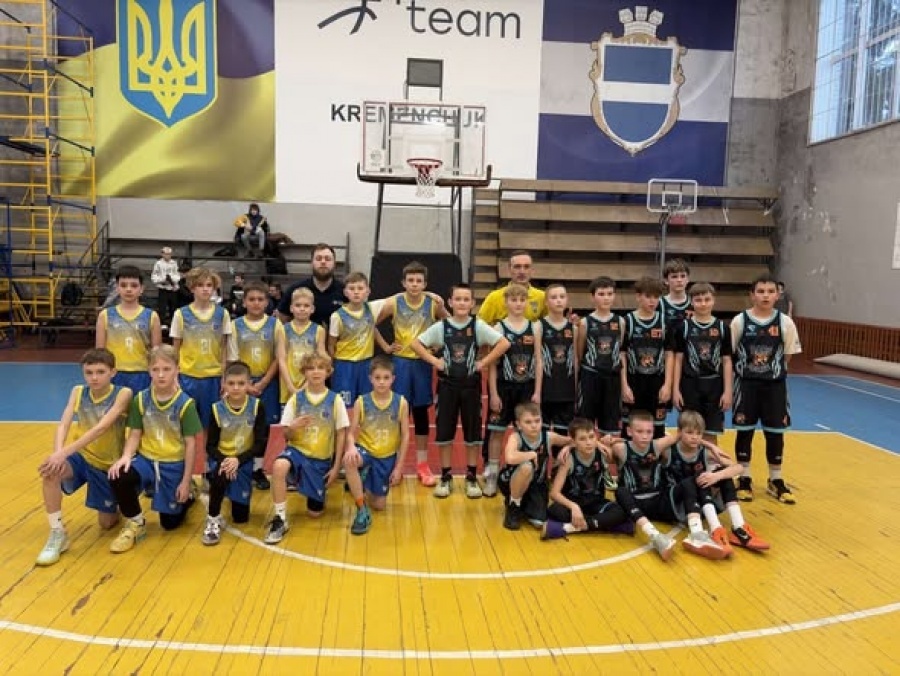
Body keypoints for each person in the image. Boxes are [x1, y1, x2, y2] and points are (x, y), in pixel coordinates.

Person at [411, 283, 510, 499]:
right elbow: (416, 344)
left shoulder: (478, 326)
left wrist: (483, 362)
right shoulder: (441, 327)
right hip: (447, 386)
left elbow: (503, 343)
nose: (462, 303)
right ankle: (446, 476)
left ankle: (471, 477)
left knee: (472, 434)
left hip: (471, 386)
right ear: (450, 302)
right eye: (458, 299)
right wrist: (434, 361)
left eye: (466, 299)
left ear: (472, 303)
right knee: (445, 432)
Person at [35, 348, 132, 566]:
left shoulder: (123, 393)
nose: (94, 378)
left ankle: (117, 501)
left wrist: (63, 453)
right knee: (50, 472)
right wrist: (58, 454)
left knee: (107, 524)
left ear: (113, 372)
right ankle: (57, 533)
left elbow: (100, 428)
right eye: (89, 372)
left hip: (106, 464)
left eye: (100, 372)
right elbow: (64, 424)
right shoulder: (78, 391)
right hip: (81, 457)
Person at [107, 345, 202, 552]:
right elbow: (135, 433)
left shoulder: (185, 404)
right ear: (148, 370)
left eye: (166, 369)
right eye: (155, 369)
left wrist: (185, 481)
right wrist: (126, 456)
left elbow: (191, 444)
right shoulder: (141, 399)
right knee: (119, 474)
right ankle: (136, 522)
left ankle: (190, 493)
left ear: (177, 369)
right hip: (147, 461)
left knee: (169, 524)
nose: (161, 375)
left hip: (173, 464)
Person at [731, 274, 802, 504]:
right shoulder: (740, 321)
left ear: (777, 295)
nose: (765, 296)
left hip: (774, 386)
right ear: (752, 295)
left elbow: (788, 355)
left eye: (770, 291)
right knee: (745, 431)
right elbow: (730, 353)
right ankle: (744, 478)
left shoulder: (785, 322)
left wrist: (771, 372)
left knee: (775, 433)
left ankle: (776, 480)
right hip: (746, 385)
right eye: (760, 291)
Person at [265, 353, 350, 544]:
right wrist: (292, 427)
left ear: (328, 372)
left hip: (320, 460)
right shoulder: (296, 400)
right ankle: (280, 518)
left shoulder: (335, 400)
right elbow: (286, 435)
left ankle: (306, 484)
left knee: (315, 513)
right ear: (304, 372)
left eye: (320, 368)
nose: (316, 372)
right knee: (279, 466)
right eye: (311, 368)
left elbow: (341, 435)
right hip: (297, 452)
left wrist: (336, 467)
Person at [665, 411, 769, 557]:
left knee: (719, 474)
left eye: (699, 433)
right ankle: (712, 529)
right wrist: (708, 443)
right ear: (679, 432)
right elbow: (652, 442)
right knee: (699, 477)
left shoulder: (706, 452)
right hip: (678, 504)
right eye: (689, 432)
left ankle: (738, 527)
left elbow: (739, 468)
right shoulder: (668, 450)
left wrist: (716, 476)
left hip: (699, 504)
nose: (695, 437)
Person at [380, 261, 444, 487]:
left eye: (419, 281)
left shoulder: (433, 304)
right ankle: (394, 463)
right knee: (399, 413)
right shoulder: (394, 303)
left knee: (420, 413)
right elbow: (370, 322)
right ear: (403, 283)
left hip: (422, 364)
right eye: (411, 280)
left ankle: (422, 464)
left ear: (425, 284)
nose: (415, 284)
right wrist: (386, 346)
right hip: (400, 363)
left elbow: (450, 324)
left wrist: (437, 344)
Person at [202, 361, 270, 545]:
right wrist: (226, 460)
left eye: (241, 383)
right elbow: (210, 446)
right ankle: (213, 519)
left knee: (241, 518)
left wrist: (238, 460)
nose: (236, 388)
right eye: (231, 383)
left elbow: (260, 444)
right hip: (222, 459)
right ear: (224, 384)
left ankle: (233, 492)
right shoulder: (217, 409)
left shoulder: (257, 406)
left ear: (249, 384)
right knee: (220, 476)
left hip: (244, 459)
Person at [484, 283, 542, 498]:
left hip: (527, 387)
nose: (518, 304)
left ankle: (524, 473)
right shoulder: (498, 328)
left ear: (527, 302)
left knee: (526, 432)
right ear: (506, 302)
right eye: (514, 300)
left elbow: (539, 361)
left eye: (522, 300)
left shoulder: (534, 328)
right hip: (504, 387)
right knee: (497, 432)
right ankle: (492, 475)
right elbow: (492, 363)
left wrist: (537, 391)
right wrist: (493, 393)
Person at [342, 356, 410, 535]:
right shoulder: (361, 402)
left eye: (386, 378)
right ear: (370, 378)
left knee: (379, 505)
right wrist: (351, 447)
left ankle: (363, 479)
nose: (381, 382)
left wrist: (399, 467)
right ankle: (361, 510)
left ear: (393, 379)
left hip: (386, 457)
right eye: (377, 377)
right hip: (365, 451)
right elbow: (351, 433)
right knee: (349, 461)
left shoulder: (401, 403)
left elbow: (405, 436)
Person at [228, 280, 283, 489]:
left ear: (267, 302)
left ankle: (258, 469)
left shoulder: (275, 325)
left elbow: (279, 357)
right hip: (242, 383)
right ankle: (241, 467)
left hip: (267, 382)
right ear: (244, 302)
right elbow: (233, 358)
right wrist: (246, 384)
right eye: (251, 299)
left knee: (263, 428)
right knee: (243, 426)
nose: (256, 303)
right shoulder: (235, 325)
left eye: (260, 299)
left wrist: (264, 382)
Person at [541, 418, 632, 540]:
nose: (588, 442)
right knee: (555, 511)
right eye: (582, 439)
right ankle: (604, 524)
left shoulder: (604, 454)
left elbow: (628, 443)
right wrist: (574, 506)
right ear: (573, 441)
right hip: (573, 503)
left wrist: (604, 447)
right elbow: (554, 493)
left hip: (595, 502)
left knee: (620, 511)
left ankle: (570, 527)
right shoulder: (568, 459)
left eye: (591, 437)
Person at [606, 411, 679, 560]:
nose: (645, 436)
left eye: (649, 432)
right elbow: (592, 444)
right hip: (634, 503)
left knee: (688, 484)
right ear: (629, 431)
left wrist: (712, 447)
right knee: (620, 491)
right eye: (639, 431)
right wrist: (610, 440)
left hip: (657, 502)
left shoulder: (657, 445)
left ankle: (698, 531)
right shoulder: (621, 448)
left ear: (654, 432)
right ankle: (655, 536)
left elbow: (682, 434)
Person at [169, 267, 233, 429]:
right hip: (187, 376)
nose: (205, 289)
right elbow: (175, 349)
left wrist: (224, 376)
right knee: (185, 424)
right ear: (192, 288)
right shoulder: (180, 314)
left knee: (210, 425)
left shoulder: (222, 314)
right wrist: (174, 376)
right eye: (200, 285)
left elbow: (224, 348)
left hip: (213, 377)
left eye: (209, 285)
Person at [671, 282, 733, 445]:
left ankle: (710, 461)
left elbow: (727, 361)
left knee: (711, 432)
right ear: (691, 301)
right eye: (698, 300)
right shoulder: (683, 327)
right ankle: (684, 459)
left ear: (714, 300)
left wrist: (728, 391)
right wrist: (675, 389)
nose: (703, 303)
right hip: (690, 385)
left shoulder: (723, 328)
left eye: (707, 299)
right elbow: (678, 360)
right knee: (686, 429)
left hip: (714, 385)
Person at [497, 402, 571, 530]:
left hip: (537, 484)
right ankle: (514, 504)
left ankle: (524, 504)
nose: (534, 425)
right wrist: (530, 454)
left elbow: (574, 441)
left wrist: (568, 447)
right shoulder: (516, 437)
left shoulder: (548, 437)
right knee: (527, 467)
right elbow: (510, 457)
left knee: (539, 521)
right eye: (528, 422)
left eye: (537, 421)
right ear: (518, 424)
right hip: (511, 480)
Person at [327, 271, 391, 409]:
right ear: (345, 292)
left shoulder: (372, 308)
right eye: (352, 288)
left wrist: (386, 346)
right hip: (344, 365)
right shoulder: (337, 316)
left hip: (366, 364)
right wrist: (332, 366)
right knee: (344, 406)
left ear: (368, 291)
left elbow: (372, 327)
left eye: (360, 288)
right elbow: (331, 345)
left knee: (366, 404)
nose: (356, 292)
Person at [95, 265, 163, 394]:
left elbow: (156, 352)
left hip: (142, 374)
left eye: (134, 285)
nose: (128, 289)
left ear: (141, 289)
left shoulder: (151, 316)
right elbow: (100, 352)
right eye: (123, 285)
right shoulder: (105, 315)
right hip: (114, 373)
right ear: (117, 288)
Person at [621, 277, 672, 439]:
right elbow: (622, 355)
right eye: (648, 296)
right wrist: (624, 385)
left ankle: (655, 457)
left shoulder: (664, 322)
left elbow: (669, 354)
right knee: (629, 429)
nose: (652, 301)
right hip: (634, 381)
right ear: (638, 297)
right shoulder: (627, 321)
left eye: (656, 297)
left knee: (657, 430)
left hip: (657, 382)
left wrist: (667, 385)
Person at [576, 276, 623, 436]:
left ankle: (605, 452)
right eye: (601, 294)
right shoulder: (585, 322)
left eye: (609, 294)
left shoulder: (620, 322)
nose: (606, 298)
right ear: (592, 297)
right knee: (585, 423)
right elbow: (580, 352)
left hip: (612, 378)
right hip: (591, 376)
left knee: (610, 426)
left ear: (614, 296)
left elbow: (619, 349)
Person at [276, 287, 327, 409]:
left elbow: (321, 358)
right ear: (291, 308)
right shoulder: (283, 330)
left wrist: (307, 384)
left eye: (306, 305)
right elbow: (281, 359)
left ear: (312, 309)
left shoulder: (319, 330)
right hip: (288, 383)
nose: (302, 308)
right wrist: (290, 386)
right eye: (298, 305)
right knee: (288, 418)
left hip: (310, 383)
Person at [539, 283, 578, 435]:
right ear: (546, 302)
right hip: (546, 389)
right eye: (554, 297)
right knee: (541, 433)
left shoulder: (574, 328)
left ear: (567, 300)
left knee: (563, 434)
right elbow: (538, 359)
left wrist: (575, 388)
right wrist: (536, 391)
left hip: (566, 390)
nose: (558, 300)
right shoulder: (538, 326)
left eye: (562, 297)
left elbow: (575, 359)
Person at [278, 243, 345, 328]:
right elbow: (282, 318)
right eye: (318, 259)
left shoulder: (345, 292)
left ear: (334, 264)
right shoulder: (295, 290)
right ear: (311, 263)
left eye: (328, 259)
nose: (323, 262)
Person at [477, 250, 547, 325]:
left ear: (532, 270)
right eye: (517, 267)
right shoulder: (494, 297)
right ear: (509, 269)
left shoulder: (542, 297)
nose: (522, 271)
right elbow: (479, 325)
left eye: (526, 267)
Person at [151, 246, 180, 327]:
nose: (168, 255)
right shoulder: (158, 264)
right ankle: (162, 324)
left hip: (172, 288)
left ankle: (173, 323)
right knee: (162, 307)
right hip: (163, 288)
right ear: (162, 254)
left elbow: (177, 275)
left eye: (169, 254)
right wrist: (162, 280)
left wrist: (173, 280)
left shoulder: (174, 263)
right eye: (166, 254)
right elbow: (154, 277)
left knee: (173, 307)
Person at [659, 259, 692, 330]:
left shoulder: (695, 302)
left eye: (683, 276)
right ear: (666, 281)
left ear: (687, 279)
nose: (679, 280)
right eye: (674, 276)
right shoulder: (659, 304)